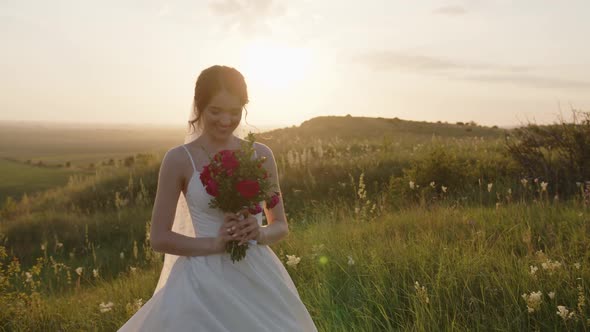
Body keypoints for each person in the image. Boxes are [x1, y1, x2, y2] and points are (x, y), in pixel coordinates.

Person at [117, 65, 318, 331]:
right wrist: (215, 244)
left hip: (258, 276)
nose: (225, 120)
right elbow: (159, 238)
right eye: (215, 111)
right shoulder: (179, 159)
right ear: (199, 106)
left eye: (234, 112)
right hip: (202, 281)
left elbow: (280, 225)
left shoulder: (261, 155)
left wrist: (259, 233)